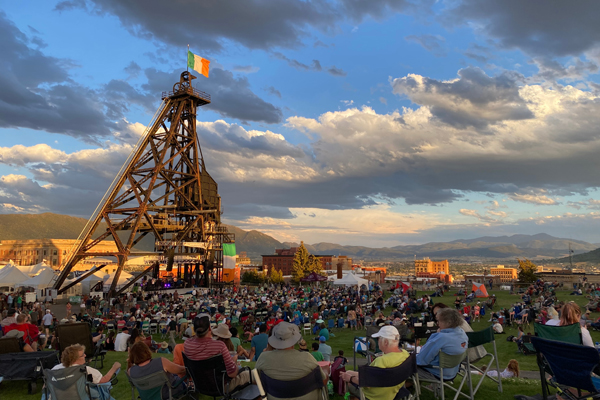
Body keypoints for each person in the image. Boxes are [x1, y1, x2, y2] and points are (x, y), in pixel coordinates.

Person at [255, 322, 327, 400]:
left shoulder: (264, 358)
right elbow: (323, 381)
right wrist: (326, 371)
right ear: (294, 339)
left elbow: (256, 382)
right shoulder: (307, 358)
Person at [184, 314, 250, 392]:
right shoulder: (219, 346)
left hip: (199, 386)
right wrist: (234, 361)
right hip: (220, 387)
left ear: (194, 329)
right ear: (209, 328)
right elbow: (232, 374)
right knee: (250, 375)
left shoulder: (187, 344)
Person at [341, 326, 410, 400]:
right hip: (390, 388)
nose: (377, 341)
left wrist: (351, 378)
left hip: (374, 395)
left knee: (348, 380)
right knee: (348, 372)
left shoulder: (382, 361)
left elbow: (368, 384)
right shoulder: (405, 354)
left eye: (378, 339)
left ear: (386, 342)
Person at [417, 308, 468, 380]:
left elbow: (422, 360)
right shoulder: (462, 333)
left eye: (438, 321)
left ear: (448, 322)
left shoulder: (441, 337)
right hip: (452, 372)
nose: (437, 323)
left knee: (403, 366)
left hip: (437, 373)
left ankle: (403, 389)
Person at [52, 343, 120, 384]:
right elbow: (103, 380)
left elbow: (45, 386)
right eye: (82, 355)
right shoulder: (84, 370)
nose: (85, 356)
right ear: (75, 359)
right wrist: (114, 367)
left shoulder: (55, 369)